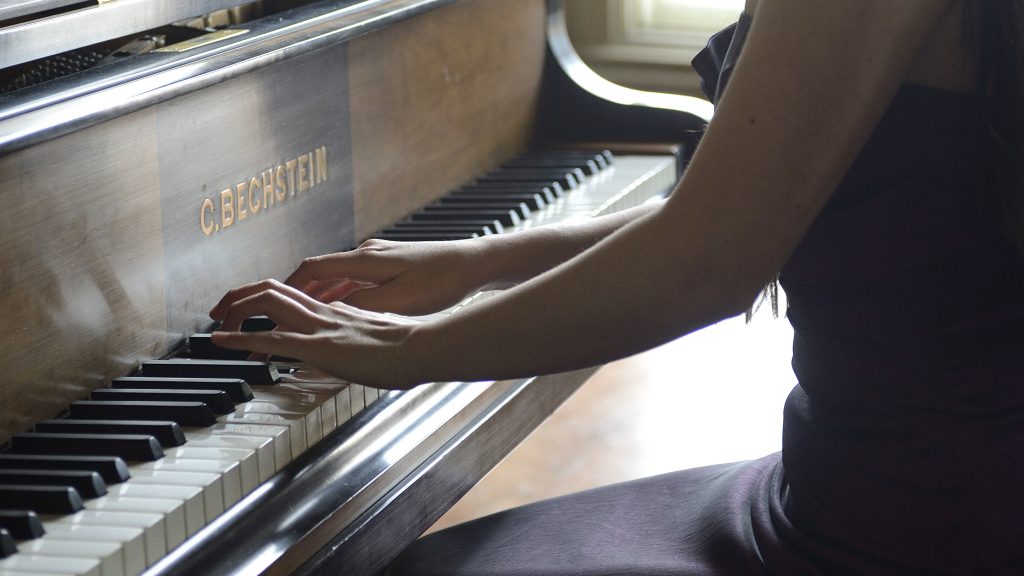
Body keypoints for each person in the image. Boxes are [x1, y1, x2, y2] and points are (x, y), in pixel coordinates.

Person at [209, 0, 1024, 573]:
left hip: (907, 530)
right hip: (893, 486)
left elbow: (705, 263)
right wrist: (475, 263)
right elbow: (752, 206)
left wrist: (412, 350)